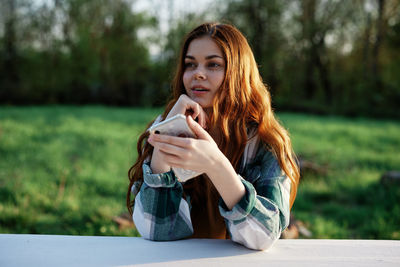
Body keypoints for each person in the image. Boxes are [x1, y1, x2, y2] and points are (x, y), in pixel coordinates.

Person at [127, 22, 300, 250]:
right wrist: (165, 146)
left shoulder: (266, 141)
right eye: (190, 65)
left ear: (238, 72)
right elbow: (156, 232)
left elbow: (264, 236)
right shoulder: (165, 125)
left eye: (213, 65)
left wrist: (215, 164)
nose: (198, 74)